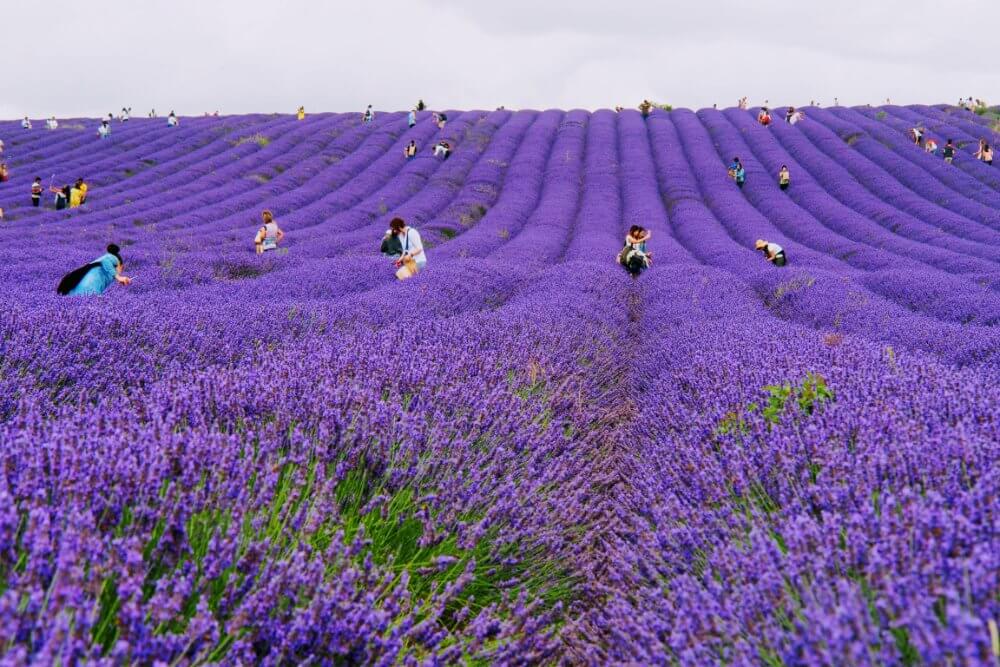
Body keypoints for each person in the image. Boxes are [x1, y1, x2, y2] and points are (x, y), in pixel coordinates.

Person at [57, 244, 132, 296]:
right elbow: (106, 260)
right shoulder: (113, 258)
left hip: (75, 295)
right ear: (121, 266)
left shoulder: (101, 270)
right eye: (122, 269)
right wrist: (118, 277)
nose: (121, 272)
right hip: (86, 293)